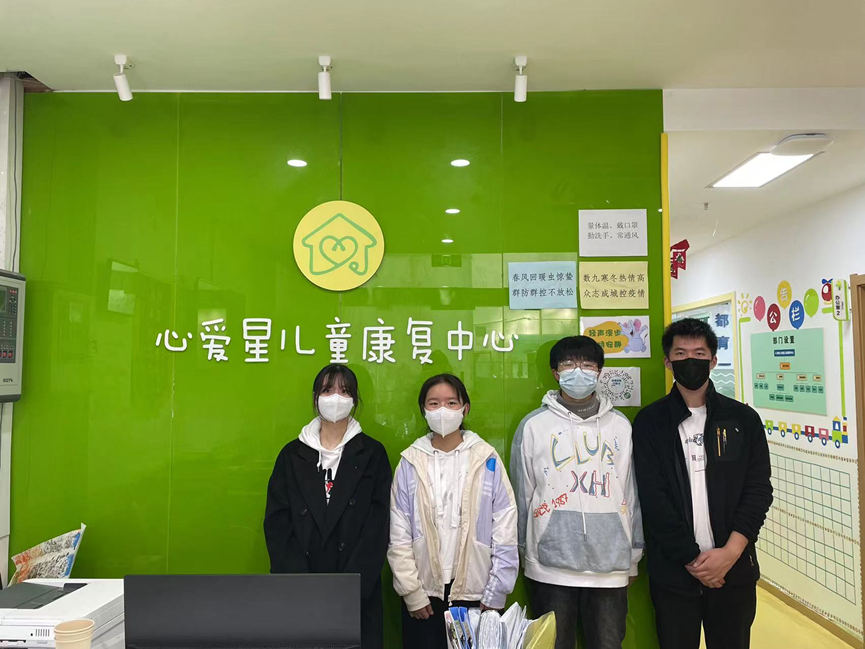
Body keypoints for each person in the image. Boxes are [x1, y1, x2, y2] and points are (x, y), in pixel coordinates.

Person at [633, 318, 773, 649]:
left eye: (699, 353)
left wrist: (730, 553)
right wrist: (693, 560)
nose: (690, 360)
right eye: (680, 353)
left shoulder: (742, 420)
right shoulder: (650, 422)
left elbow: (758, 490)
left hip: (734, 570)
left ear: (713, 361)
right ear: (667, 362)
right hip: (674, 573)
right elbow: (653, 498)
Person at [510, 335, 644, 649]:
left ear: (599, 371)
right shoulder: (533, 426)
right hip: (549, 566)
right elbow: (522, 495)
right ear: (555, 372)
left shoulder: (620, 426)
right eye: (569, 364)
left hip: (610, 564)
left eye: (587, 364)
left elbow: (630, 492)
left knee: (608, 645)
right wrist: (524, 554)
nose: (578, 371)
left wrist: (634, 557)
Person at [264, 364, 392, 649]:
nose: (336, 397)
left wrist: (349, 589)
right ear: (315, 398)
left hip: (356, 594)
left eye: (344, 391)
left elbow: (378, 526)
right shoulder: (291, 455)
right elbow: (277, 523)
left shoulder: (373, 454)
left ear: (355, 400)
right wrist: (303, 586)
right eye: (327, 390)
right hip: (300, 593)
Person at [388, 373, 519, 649]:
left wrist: (497, 590)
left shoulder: (487, 459)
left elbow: (505, 527)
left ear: (464, 409)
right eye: (434, 403)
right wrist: (411, 592)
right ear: (424, 410)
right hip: (425, 595)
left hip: (476, 593)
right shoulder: (410, 463)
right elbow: (398, 534)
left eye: (451, 402)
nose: (443, 410)